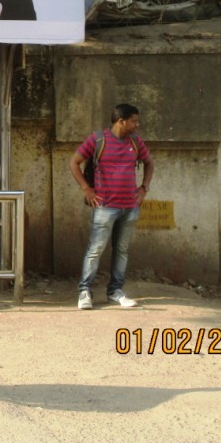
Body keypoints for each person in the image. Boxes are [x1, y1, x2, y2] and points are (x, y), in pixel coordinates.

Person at [69, 103, 154, 310]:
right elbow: (74, 162)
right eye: (134, 121)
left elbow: (150, 163)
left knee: (122, 250)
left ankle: (115, 292)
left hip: (130, 207)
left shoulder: (135, 141)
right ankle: (85, 292)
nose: (137, 124)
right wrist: (86, 189)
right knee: (95, 249)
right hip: (105, 207)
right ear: (121, 121)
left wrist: (144, 188)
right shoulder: (98, 140)